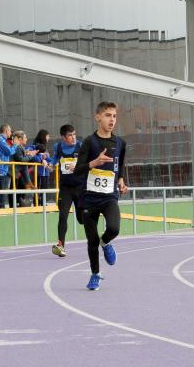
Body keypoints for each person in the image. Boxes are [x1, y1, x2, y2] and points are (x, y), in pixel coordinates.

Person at [73, 102, 129, 290]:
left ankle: (106, 243)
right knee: (91, 240)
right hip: (89, 198)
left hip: (109, 197)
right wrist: (94, 162)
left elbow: (119, 166)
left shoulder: (120, 143)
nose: (111, 119)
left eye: (114, 116)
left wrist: (121, 179)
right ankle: (95, 274)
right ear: (97, 117)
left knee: (114, 228)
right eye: (107, 115)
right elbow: (77, 170)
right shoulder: (89, 142)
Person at [50, 124, 84, 257]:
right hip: (65, 188)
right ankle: (61, 245)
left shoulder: (81, 146)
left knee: (81, 219)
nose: (73, 137)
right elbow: (54, 162)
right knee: (63, 215)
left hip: (80, 187)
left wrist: (77, 165)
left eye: (74, 134)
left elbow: (88, 163)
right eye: (70, 135)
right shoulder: (58, 147)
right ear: (63, 137)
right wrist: (49, 166)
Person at [0, 124, 15, 208]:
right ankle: (0, 208)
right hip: (1, 169)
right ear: (6, 131)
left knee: (2, 191)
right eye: (10, 131)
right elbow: (9, 152)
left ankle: (0, 207)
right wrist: (15, 145)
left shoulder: (3, 141)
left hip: (3, 169)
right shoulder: (1, 140)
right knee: (1, 192)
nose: (10, 133)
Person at [32, 129, 54, 204]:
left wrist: (51, 163)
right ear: (43, 137)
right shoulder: (37, 146)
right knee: (38, 187)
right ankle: (37, 203)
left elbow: (48, 158)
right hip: (39, 172)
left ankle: (43, 203)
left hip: (45, 172)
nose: (49, 138)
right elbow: (34, 156)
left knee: (45, 188)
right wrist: (42, 160)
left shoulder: (45, 147)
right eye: (47, 136)